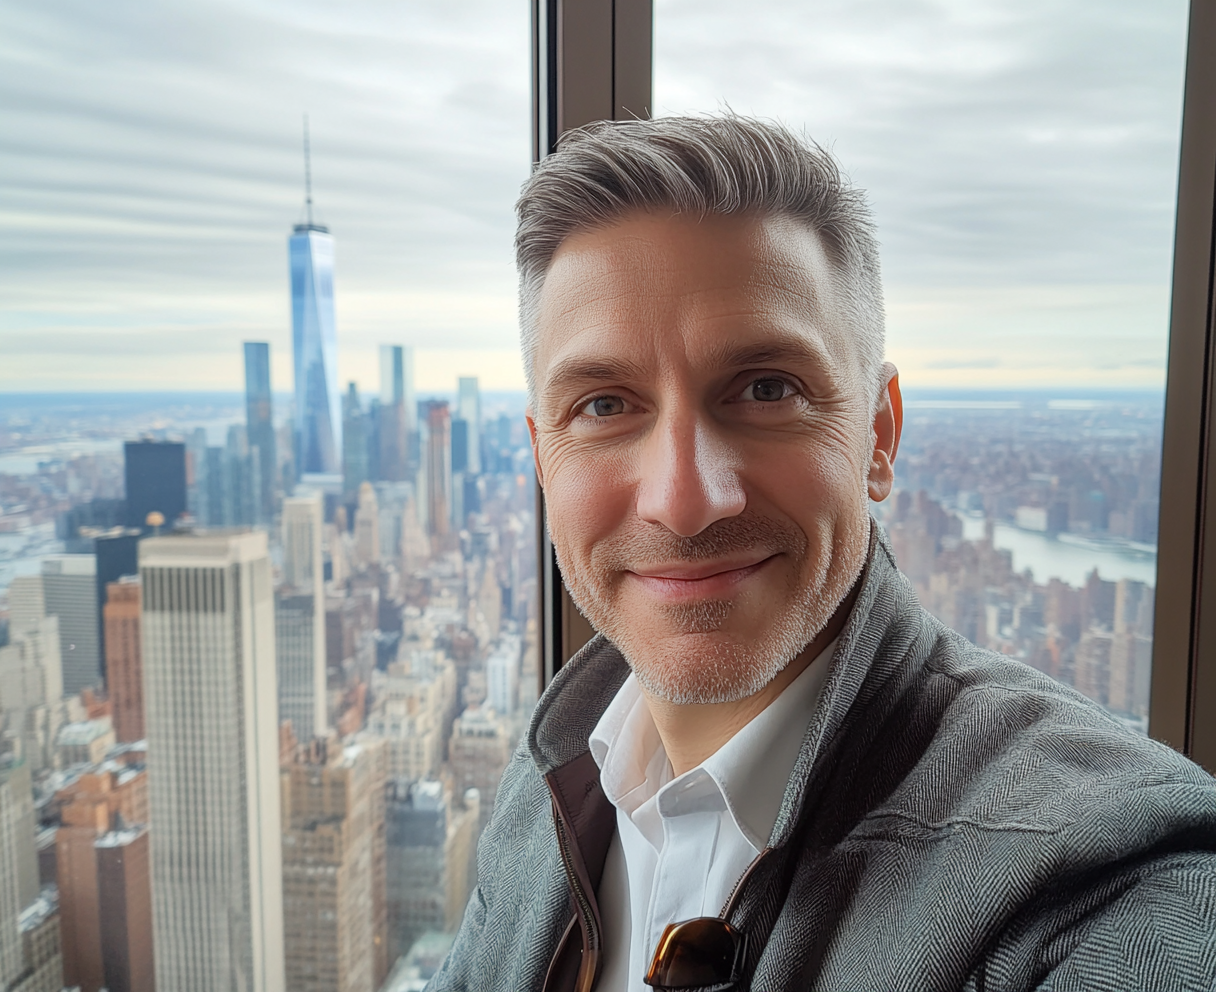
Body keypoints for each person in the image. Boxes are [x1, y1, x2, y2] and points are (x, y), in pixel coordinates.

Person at [429, 116, 1216, 992]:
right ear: (543, 458)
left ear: (877, 436)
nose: (685, 500)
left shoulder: (1102, 885)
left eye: (767, 389)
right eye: (606, 406)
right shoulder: (544, 784)